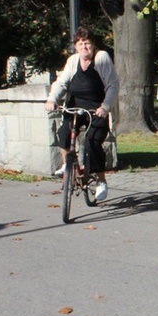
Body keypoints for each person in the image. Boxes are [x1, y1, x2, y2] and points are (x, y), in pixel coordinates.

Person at [44, 27, 120, 201]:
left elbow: (113, 85)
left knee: (92, 141)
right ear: (76, 47)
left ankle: (101, 181)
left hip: (97, 109)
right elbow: (61, 83)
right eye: (80, 44)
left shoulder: (101, 58)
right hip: (75, 106)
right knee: (64, 132)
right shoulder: (73, 60)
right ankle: (67, 165)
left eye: (87, 43)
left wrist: (105, 106)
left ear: (93, 45)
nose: (84, 47)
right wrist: (52, 100)